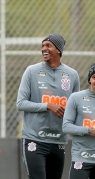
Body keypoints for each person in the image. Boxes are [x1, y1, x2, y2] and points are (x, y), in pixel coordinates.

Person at [17, 33, 80, 179]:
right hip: (34, 139)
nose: (44, 49)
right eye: (43, 46)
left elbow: (74, 108)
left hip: (58, 140)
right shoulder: (31, 71)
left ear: (58, 50)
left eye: (48, 45)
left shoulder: (72, 75)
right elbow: (21, 103)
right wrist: (48, 106)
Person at [63, 62, 95, 179]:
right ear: (89, 79)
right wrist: (88, 130)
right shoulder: (75, 98)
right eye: (94, 77)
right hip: (81, 157)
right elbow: (66, 126)